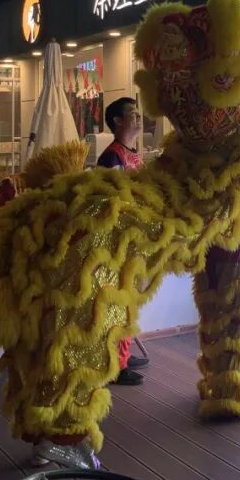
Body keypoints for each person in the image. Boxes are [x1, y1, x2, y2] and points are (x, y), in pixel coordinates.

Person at [96, 97, 149, 385]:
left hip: (134, 238)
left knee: (131, 300)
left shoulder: (132, 154)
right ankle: (115, 364)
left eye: (139, 113)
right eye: (132, 114)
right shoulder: (111, 158)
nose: (138, 118)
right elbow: (115, 201)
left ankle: (123, 354)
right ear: (117, 121)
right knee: (119, 301)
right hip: (118, 241)